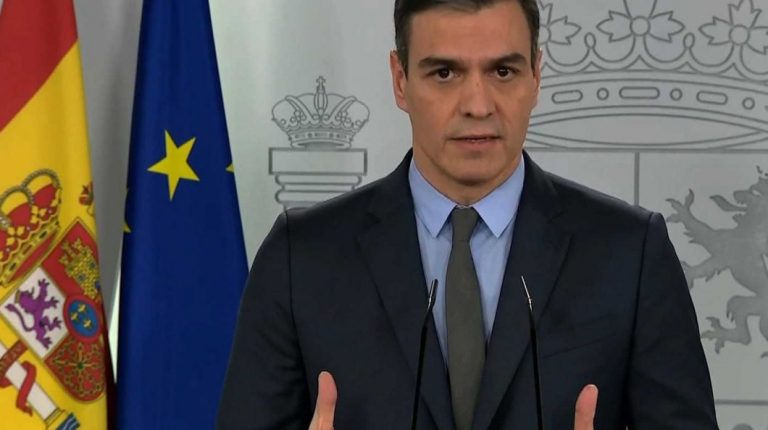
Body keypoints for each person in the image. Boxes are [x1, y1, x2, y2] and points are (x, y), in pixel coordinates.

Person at [217, 0, 718, 429]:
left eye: (503, 71)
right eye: (445, 73)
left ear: (536, 75)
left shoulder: (630, 254)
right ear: (400, 80)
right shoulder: (301, 258)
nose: (478, 105)